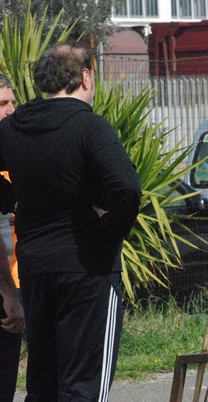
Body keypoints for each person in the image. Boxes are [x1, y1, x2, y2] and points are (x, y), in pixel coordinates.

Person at [0, 42, 142, 401]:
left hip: (36, 270)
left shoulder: (13, 128)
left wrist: (8, 199)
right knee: (84, 387)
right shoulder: (89, 127)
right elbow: (126, 186)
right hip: (88, 271)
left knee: (43, 385)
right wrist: (110, 230)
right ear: (85, 77)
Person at [0, 73, 24, 402]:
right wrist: (8, 295)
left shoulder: (15, 156)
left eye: (13, 101)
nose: (11, 110)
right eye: (2, 104)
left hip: (18, 281)